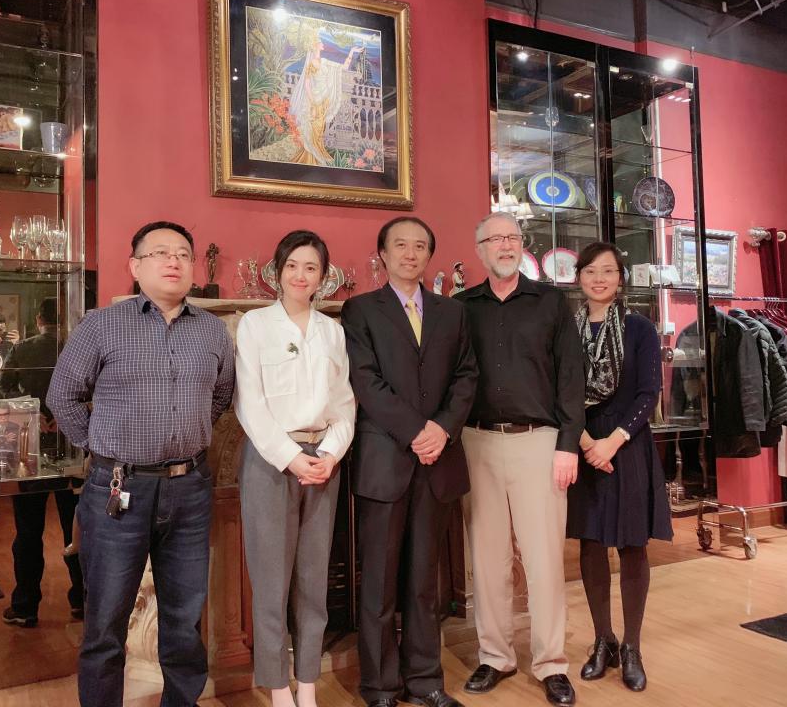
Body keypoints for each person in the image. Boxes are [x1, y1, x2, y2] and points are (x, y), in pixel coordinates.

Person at [47, 221, 235, 707]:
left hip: (190, 488)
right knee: (106, 622)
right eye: (161, 253)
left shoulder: (213, 330)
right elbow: (62, 396)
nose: (174, 261)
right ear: (135, 266)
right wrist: (99, 447)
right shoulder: (101, 325)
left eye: (183, 254)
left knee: (185, 619)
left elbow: (221, 396)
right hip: (118, 488)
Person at [341, 216, 478, 707]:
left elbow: (466, 376)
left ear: (429, 255)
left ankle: (426, 681)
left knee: (425, 581)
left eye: (420, 246)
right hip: (386, 459)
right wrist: (416, 431)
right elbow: (365, 380)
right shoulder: (360, 310)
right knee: (379, 582)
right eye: (400, 245)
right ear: (383, 254)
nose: (410, 253)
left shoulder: (452, 312)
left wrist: (441, 428)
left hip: (438, 459)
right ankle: (379, 686)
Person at [456, 212, 584, 707]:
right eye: (495, 239)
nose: (505, 245)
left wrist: (568, 445)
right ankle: (496, 656)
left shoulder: (551, 302)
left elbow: (571, 378)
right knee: (487, 560)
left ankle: (551, 663)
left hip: (540, 443)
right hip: (478, 442)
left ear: (521, 244)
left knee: (543, 559)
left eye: (512, 237)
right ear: (480, 249)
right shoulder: (461, 308)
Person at [234, 230, 356, 707]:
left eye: (311, 267)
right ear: (277, 272)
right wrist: (290, 456)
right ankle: (278, 685)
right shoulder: (254, 325)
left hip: (323, 462)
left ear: (323, 277)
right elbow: (249, 403)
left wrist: (329, 455)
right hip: (271, 462)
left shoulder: (333, 331)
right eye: (292, 266)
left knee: (313, 580)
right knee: (270, 582)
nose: (300, 275)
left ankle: (308, 682)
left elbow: (344, 405)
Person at [566, 242, 673, 693]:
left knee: (632, 545)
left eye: (608, 271)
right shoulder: (566, 328)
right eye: (590, 271)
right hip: (581, 441)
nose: (599, 279)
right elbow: (559, 390)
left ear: (620, 278)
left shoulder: (640, 327)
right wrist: (586, 442)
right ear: (579, 277)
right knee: (590, 545)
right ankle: (603, 641)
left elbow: (649, 392)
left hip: (627, 443)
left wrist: (612, 441)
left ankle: (632, 647)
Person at [0, 298, 84, 628]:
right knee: (75, 529)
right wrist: (64, 415)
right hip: (72, 446)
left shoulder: (22, 348)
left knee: (28, 531)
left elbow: (3, 388)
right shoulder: (76, 347)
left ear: (38, 319)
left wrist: (33, 413)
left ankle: (25, 606)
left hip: (30, 447)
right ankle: (82, 599)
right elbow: (93, 391)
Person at [289, 34, 363, 166]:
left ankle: (316, 157)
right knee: (314, 128)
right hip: (315, 100)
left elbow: (343, 67)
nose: (322, 44)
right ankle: (309, 158)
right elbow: (307, 83)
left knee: (320, 129)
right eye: (320, 42)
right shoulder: (312, 63)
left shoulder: (324, 61)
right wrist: (312, 101)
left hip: (324, 99)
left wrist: (352, 51)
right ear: (315, 46)